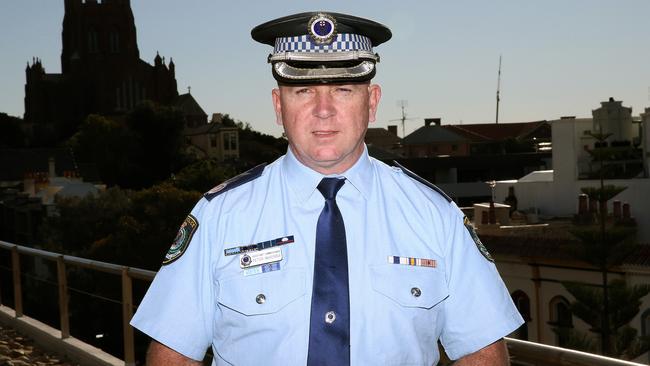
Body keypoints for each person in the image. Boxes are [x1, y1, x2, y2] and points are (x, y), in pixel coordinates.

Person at [130, 11, 524, 365]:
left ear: (371, 102)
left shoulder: (435, 215)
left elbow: (482, 350)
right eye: (303, 91)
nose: (323, 109)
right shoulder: (219, 215)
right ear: (277, 106)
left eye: (343, 90)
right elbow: (173, 353)